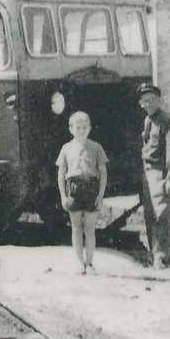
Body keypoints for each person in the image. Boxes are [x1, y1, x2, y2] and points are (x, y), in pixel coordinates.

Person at [56, 111, 109, 275]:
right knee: (76, 228)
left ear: (90, 128)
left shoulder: (96, 147)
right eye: (78, 127)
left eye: (85, 127)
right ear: (71, 129)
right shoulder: (66, 148)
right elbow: (61, 173)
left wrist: (100, 196)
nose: (81, 130)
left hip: (91, 188)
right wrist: (63, 196)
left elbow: (103, 172)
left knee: (90, 229)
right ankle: (79, 263)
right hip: (74, 189)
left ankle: (90, 263)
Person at [137, 83, 170, 269]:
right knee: (151, 214)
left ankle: (161, 258)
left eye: (152, 100)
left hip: (160, 172)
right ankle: (165, 254)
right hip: (147, 171)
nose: (148, 104)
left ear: (159, 100)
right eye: (145, 101)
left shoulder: (167, 120)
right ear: (141, 104)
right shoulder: (148, 120)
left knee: (161, 215)